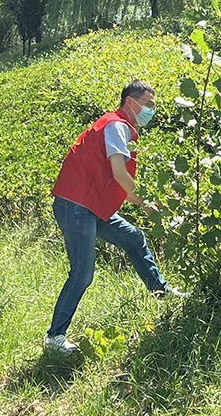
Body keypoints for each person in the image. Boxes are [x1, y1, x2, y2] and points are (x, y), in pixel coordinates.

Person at [45, 79, 183, 354]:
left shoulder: (118, 125)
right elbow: (119, 172)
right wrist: (145, 203)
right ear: (131, 103)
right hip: (76, 205)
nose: (151, 112)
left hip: (89, 205)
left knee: (133, 238)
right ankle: (54, 338)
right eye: (148, 105)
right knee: (82, 273)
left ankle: (161, 292)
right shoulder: (117, 125)